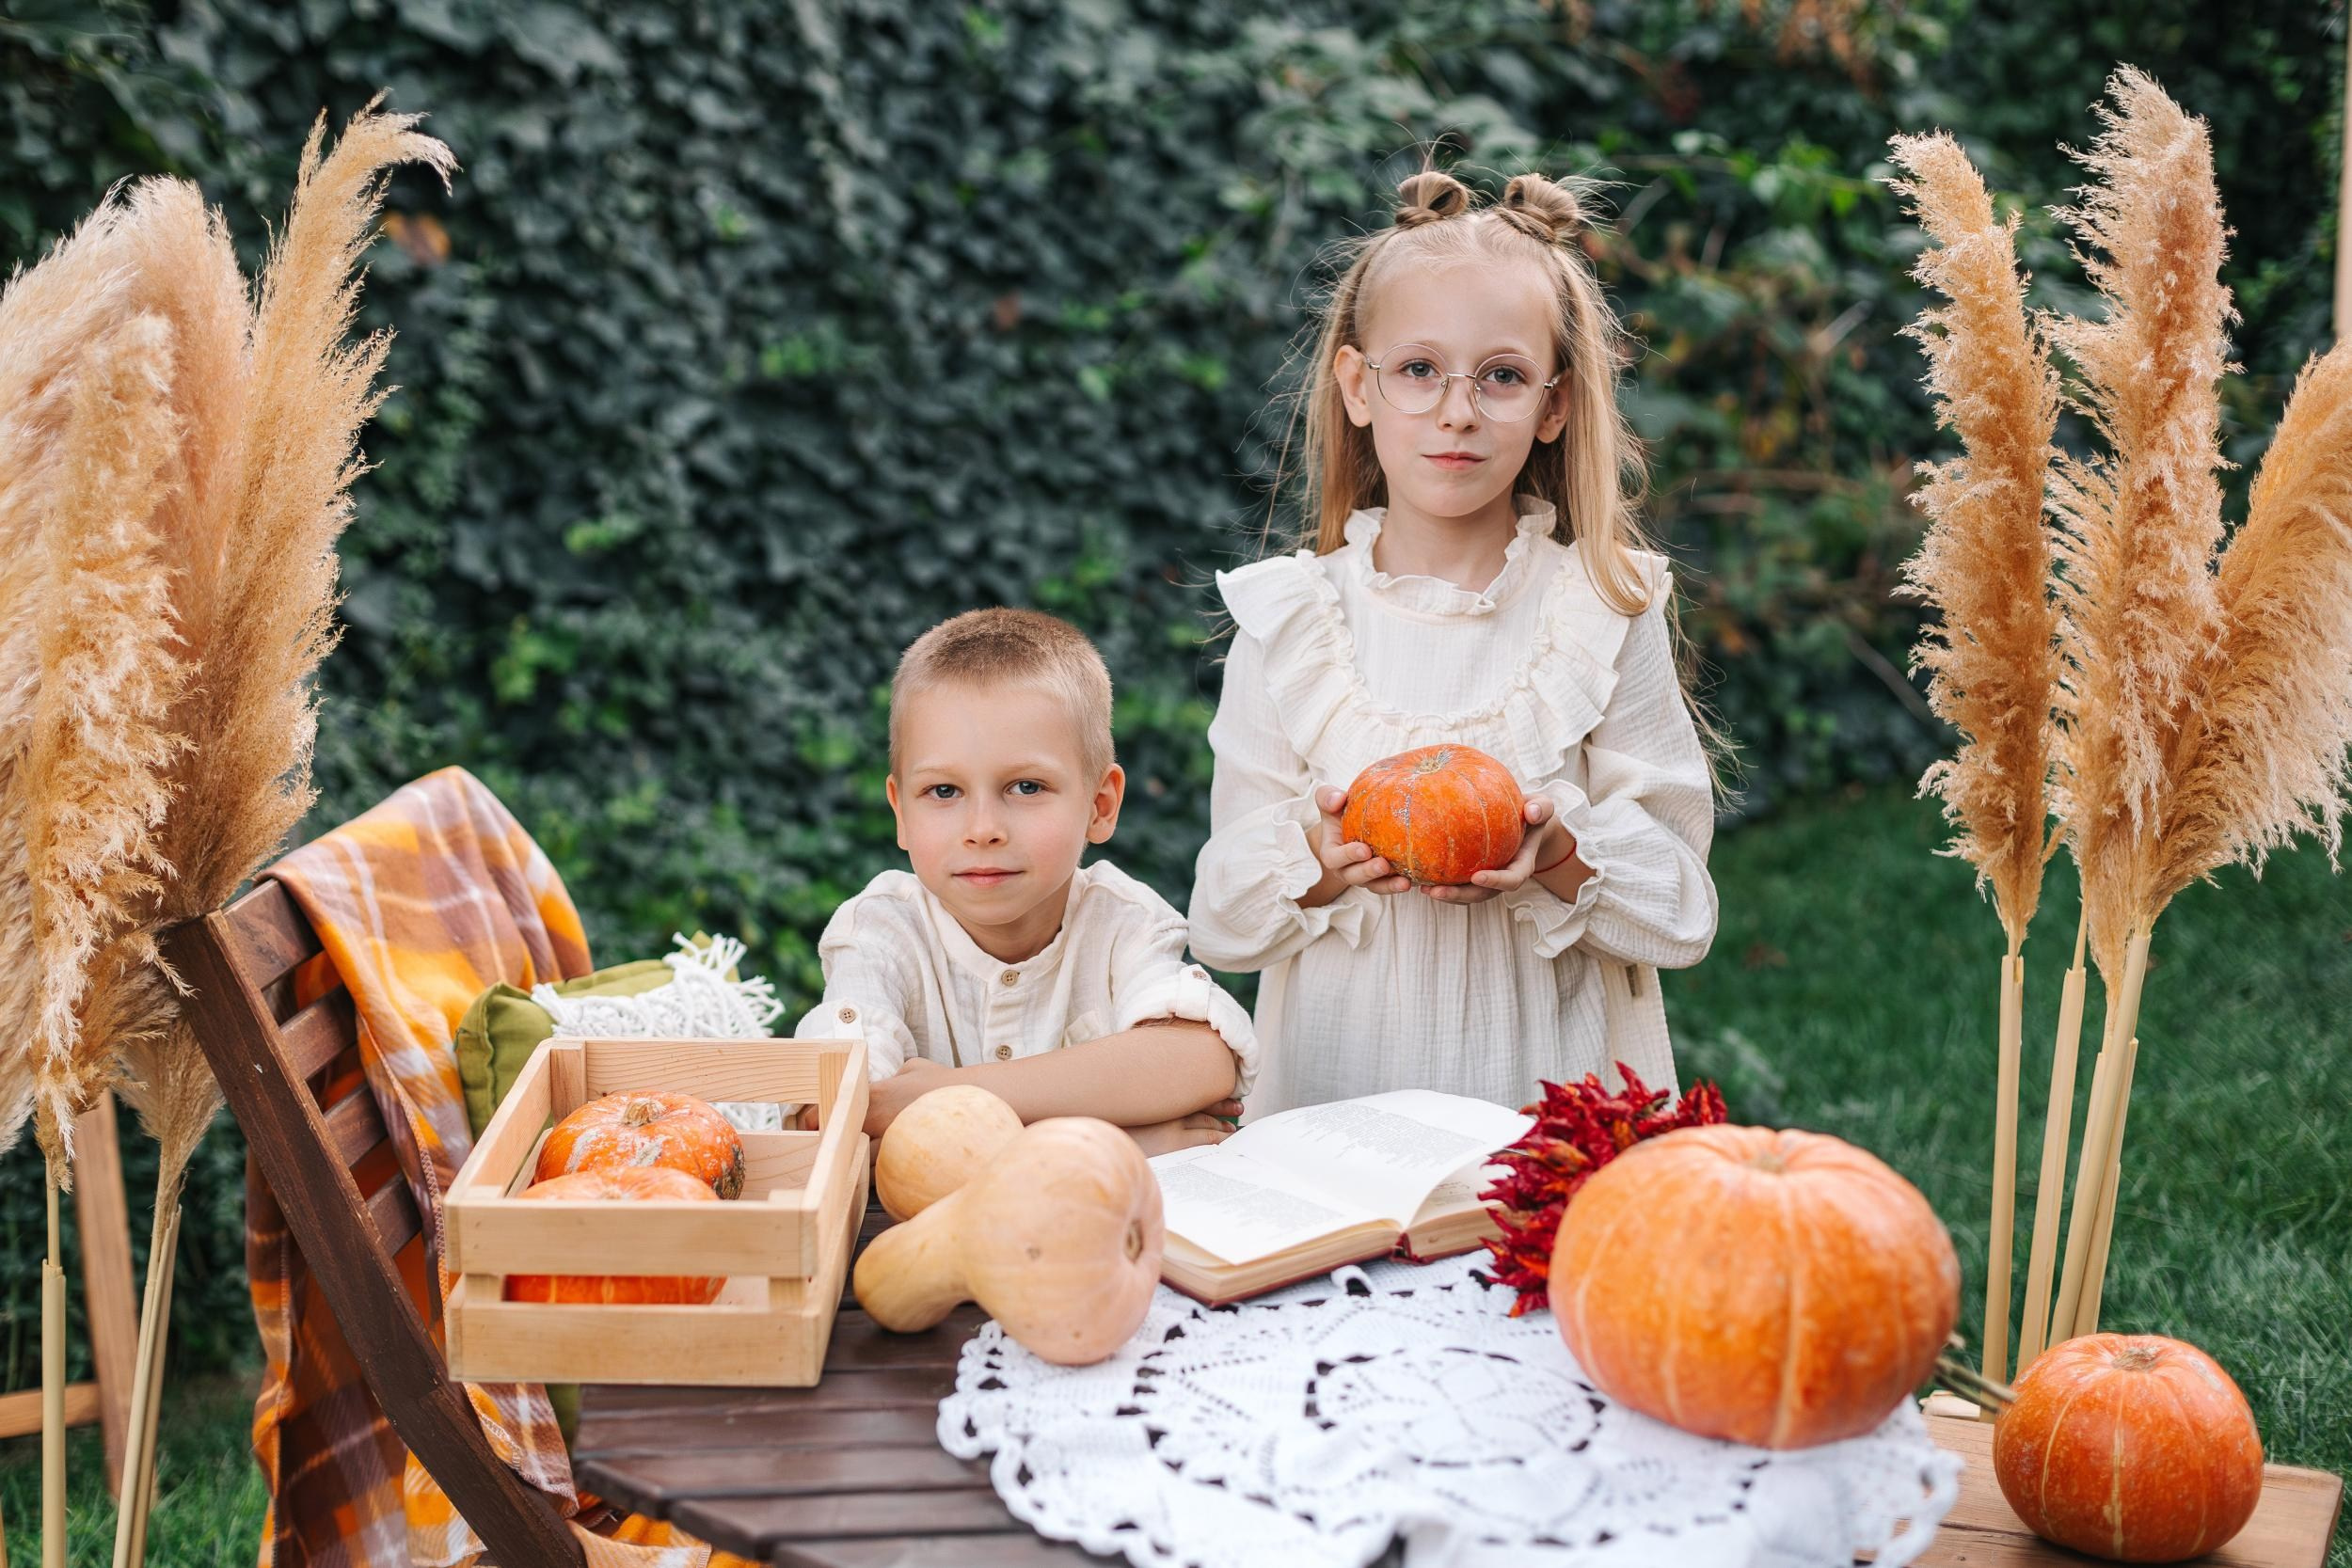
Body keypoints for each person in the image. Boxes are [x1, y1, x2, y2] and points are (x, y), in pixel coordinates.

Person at [1189, 168, 1719, 1118]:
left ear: (1555, 405)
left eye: (1503, 376)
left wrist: (1559, 853)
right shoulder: (1291, 624)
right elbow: (1220, 919)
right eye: (1420, 369)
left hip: (1540, 1111)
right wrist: (1314, 852)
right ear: (1359, 385)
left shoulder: (1600, 608)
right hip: (1332, 1107)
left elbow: (1681, 911)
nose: (1457, 410)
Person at [796, 607, 1253, 1154]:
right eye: (944, 792)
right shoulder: (880, 931)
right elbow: (834, 1114)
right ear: (900, 812)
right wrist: (1104, 1137)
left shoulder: (1121, 919)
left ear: (1100, 805)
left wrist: (947, 1094)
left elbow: (1200, 1060)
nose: (983, 829)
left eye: (1027, 787)